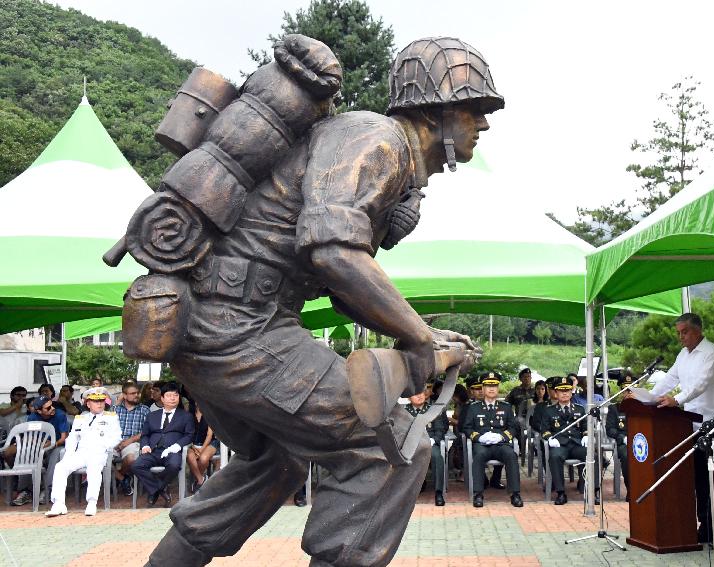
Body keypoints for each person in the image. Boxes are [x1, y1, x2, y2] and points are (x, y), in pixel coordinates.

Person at [135, 36, 498, 567]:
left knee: (276, 459)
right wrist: (419, 337)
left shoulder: (374, 147)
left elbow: (339, 277)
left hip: (215, 324)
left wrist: (417, 331)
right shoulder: (377, 139)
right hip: (239, 328)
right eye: (475, 110)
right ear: (438, 113)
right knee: (391, 447)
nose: (482, 126)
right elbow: (334, 252)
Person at [648, 312, 714, 549]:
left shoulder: (712, 353)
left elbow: (700, 384)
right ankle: (705, 526)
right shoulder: (683, 355)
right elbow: (670, 378)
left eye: (685, 332)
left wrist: (677, 399)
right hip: (691, 426)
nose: (681, 337)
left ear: (698, 330)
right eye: (678, 333)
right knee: (700, 481)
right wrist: (647, 397)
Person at [45, 387, 121, 517]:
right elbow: (72, 438)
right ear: (88, 403)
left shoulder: (111, 417)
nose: (100, 404)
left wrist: (104, 447)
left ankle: (92, 503)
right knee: (61, 466)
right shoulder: (80, 419)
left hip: (99, 452)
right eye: (96, 401)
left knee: (93, 467)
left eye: (102, 401)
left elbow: (117, 437)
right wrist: (68, 454)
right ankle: (58, 504)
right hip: (81, 452)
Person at [462, 371, 523, 508]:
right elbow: (466, 428)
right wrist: (479, 437)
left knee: (511, 455)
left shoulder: (506, 407)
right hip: (482, 444)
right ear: (482, 388)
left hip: (500, 444)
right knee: (479, 455)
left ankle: (515, 493)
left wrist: (502, 436)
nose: (491, 389)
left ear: (498, 388)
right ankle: (478, 494)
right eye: (488, 386)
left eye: (494, 386)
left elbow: (514, 427)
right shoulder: (474, 408)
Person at [132, 382, 193, 507]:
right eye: (169, 395)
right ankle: (160, 489)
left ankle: (155, 490)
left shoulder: (186, 416)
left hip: (172, 451)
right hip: (153, 451)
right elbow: (145, 435)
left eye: (175, 395)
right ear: (162, 398)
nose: (172, 398)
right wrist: (145, 445)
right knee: (136, 465)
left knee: (174, 465)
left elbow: (189, 435)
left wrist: (176, 446)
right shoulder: (152, 415)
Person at [9, 395, 70, 506]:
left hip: (57, 444)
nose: (52, 409)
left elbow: (64, 437)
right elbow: (30, 436)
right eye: (48, 408)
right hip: (39, 445)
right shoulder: (32, 417)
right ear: (38, 411)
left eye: (51, 405)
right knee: (27, 450)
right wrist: (39, 444)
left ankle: (48, 489)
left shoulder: (60, 414)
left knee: (57, 454)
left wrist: (52, 444)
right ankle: (25, 491)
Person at [541, 376, 591, 505]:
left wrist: (586, 435)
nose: (564, 393)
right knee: (554, 457)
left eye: (567, 391)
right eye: (561, 391)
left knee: (592, 456)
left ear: (571, 392)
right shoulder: (548, 411)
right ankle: (561, 493)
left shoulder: (579, 409)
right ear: (556, 393)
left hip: (576, 444)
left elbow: (586, 426)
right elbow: (544, 429)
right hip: (560, 444)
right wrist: (549, 437)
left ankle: (592, 491)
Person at [405, 388, 448, 506]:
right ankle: (409, 492)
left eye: (421, 393)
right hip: (411, 446)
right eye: (415, 394)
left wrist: (433, 440)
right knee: (404, 459)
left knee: (437, 456)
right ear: (409, 398)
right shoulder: (404, 412)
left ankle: (438, 492)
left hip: (430, 444)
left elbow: (440, 430)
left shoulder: (433, 410)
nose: (419, 396)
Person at [114, 381, 151, 496]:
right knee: (101, 458)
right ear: (124, 395)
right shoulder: (115, 410)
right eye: (133, 393)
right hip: (114, 442)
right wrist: (115, 442)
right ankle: (122, 478)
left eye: (138, 393)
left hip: (133, 442)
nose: (136, 395)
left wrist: (129, 440)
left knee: (131, 459)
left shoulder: (144, 410)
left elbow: (148, 431)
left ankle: (119, 476)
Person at [187, 402, 218, 493]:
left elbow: (209, 435)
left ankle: (195, 480)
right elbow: (187, 434)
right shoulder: (189, 415)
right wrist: (193, 446)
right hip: (192, 444)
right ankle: (201, 480)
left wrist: (201, 450)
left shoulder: (210, 414)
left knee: (203, 459)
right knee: (189, 456)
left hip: (209, 443)